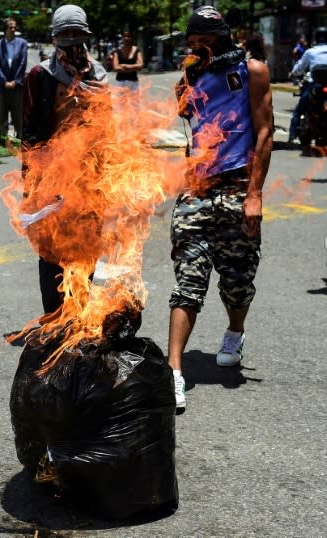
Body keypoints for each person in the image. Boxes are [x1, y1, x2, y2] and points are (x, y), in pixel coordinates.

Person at [169, 6, 272, 414]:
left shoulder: (253, 71)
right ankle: (174, 371)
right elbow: (192, 127)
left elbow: (264, 134)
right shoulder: (190, 76)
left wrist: (255, 195)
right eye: (192, 44)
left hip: (238, 185)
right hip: (196, 189)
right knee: (188, 280)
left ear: (223, 38)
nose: (197, 50)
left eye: (204, 43)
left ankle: (234, 331)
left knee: (237, 281)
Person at [21, 4, 108, 314]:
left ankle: (80, 313)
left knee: (87, 248)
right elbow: (30, 135)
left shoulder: (98, 74)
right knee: (52, 251)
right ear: (55, 38)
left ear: (85, 36)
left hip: (90, 178)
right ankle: (55, 317)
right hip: (53, 180)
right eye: (65, 34)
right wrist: (30, 187)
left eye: (76, 34)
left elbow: (107, 127)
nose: (71, 41)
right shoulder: (40, 75)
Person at [288, 27, 327, 147]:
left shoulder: (310, 52)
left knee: (298, 111)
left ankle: (292, 137)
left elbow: (298, 70)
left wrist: (292, 74)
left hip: (314, 86)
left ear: (316, 38)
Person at [0, 18, 28, 137]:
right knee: (1, 115)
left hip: (17, 86)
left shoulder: (22, 43)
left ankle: (20, 138)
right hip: (2, 87)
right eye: (10, 27)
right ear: (5, 29)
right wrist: (4, 81)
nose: (13, 30)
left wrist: (15, 80)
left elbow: (23, 63)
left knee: (18, 114)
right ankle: (2, 139)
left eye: (14, 27)